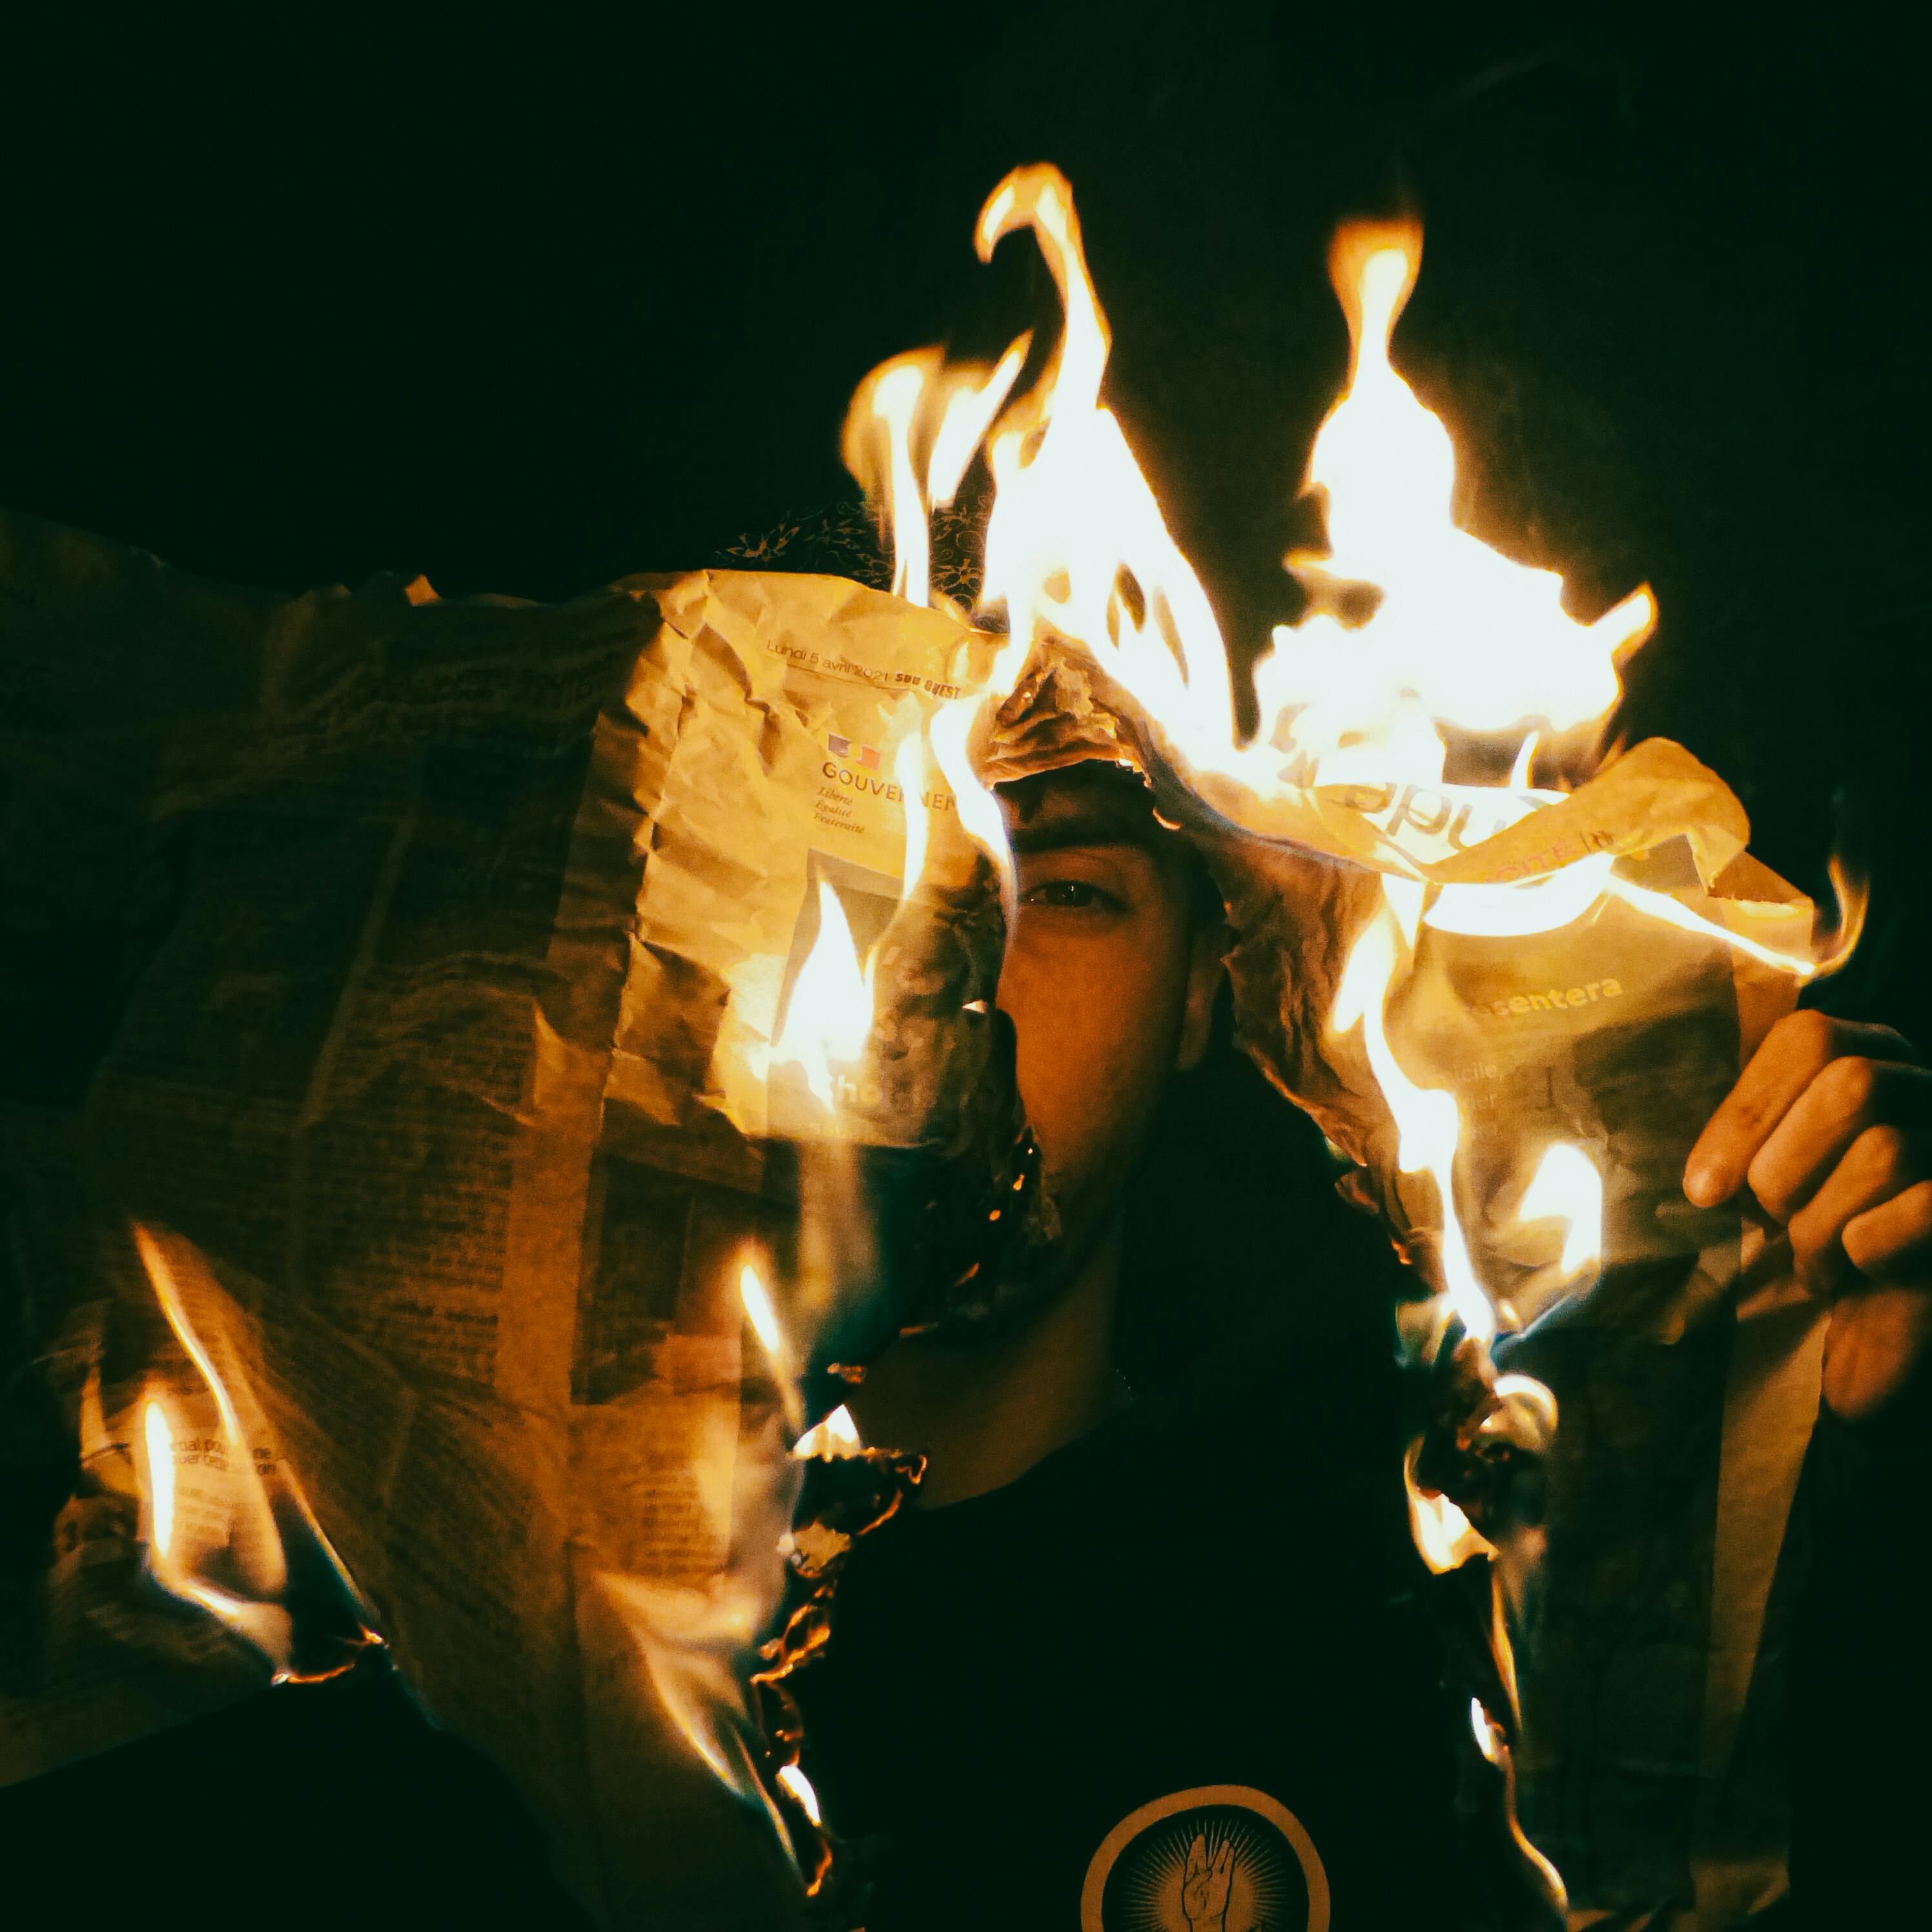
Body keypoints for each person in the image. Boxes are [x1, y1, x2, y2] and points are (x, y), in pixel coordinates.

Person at [794, 759, 1932, 1931]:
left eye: (1068, 891)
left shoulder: (1399, 1643)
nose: (942, 970)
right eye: (886, 851)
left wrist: (1884, 1511)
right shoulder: (627, 1630)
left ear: (1198, 987)